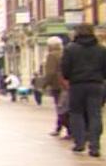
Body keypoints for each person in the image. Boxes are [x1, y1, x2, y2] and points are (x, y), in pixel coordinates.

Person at [61, 24, 106, 157]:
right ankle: (95, 146)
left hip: (77, 85)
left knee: (77, 114)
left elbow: (65, 69)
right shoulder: (101, 49)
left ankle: (79, 143)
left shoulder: (70, 49)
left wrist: (69, 77)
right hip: (96, 85)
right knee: (95, 114)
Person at [44, 36, 69, 137]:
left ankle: (61, 128)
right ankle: (63, 128)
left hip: (57, 85)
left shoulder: (51, 56)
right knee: (66, 107)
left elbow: (50, 72)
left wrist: (45, 84)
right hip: (67, 84)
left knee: (60, 108)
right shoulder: (65, 53)